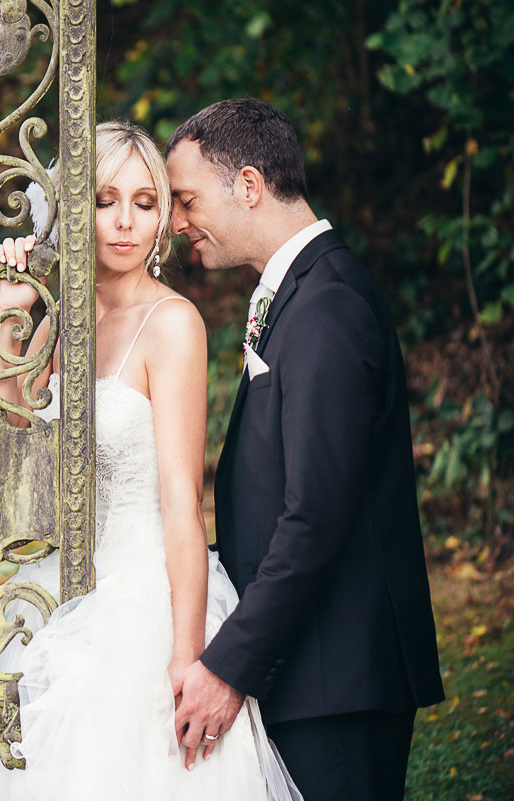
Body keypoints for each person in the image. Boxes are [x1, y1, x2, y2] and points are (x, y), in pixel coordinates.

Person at [0, 121, 300, 801]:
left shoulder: (173, 324)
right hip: (55, 593)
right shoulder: (63, 320)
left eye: (146, 203)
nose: (125, 222)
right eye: (103, 200)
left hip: (142, 604)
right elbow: (1, 437)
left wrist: (185, 654)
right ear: (71, 210)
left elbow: (184, 501)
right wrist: (11, 312)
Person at [165, 98, 445, 801]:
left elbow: (316, 515)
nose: (176, 223)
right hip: (314, 667)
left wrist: (228, 665)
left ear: (250, 185)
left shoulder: (328, 305)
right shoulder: (301, 291)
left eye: (186, 199)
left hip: (340, 678)